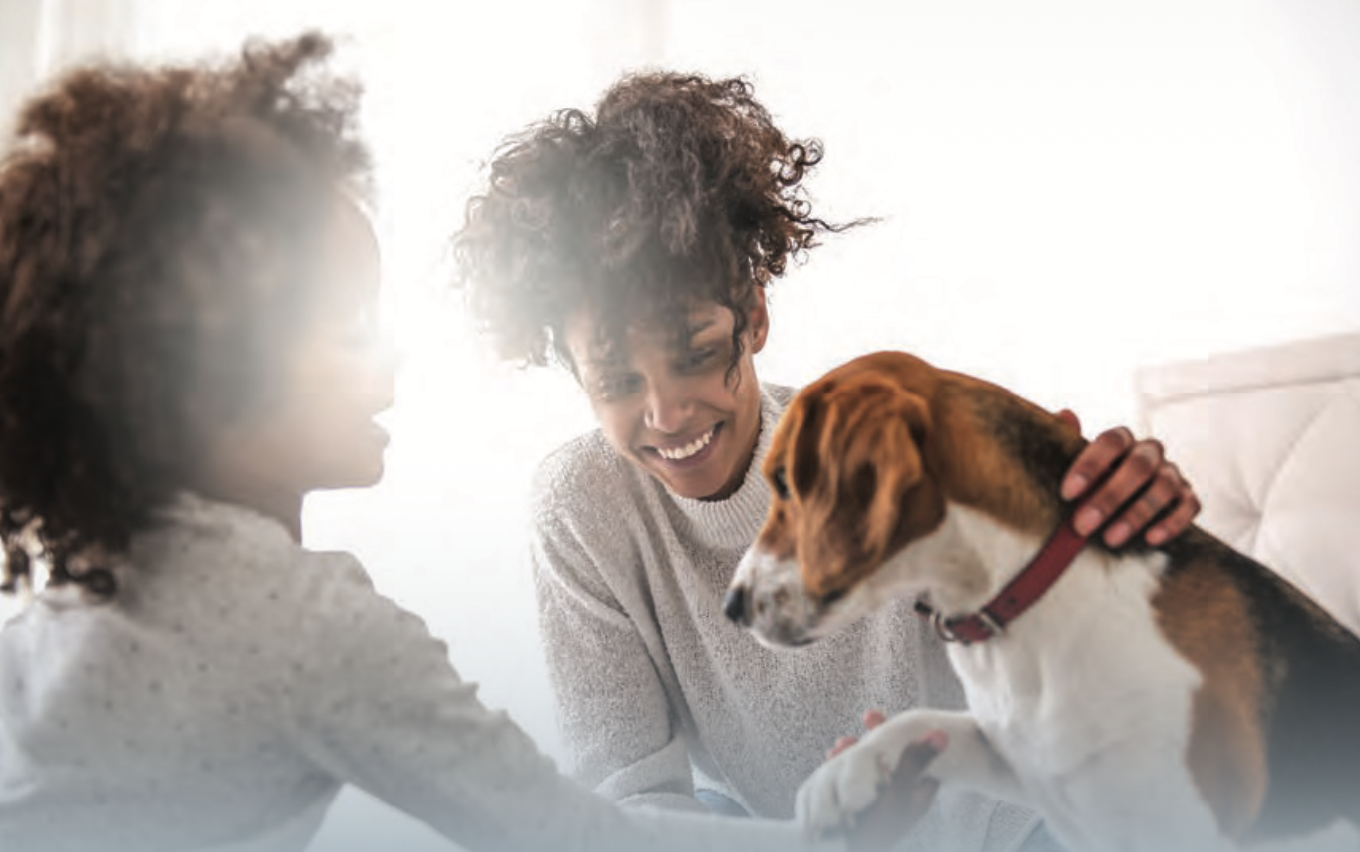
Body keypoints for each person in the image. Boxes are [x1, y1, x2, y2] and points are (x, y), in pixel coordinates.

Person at [0, 37, 925, 852]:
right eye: (344, 325)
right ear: (213, 375)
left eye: (693, 353)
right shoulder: (304, 625)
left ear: (752, 319)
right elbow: (566, 834)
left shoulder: (79, 579)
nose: (388, 351)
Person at [452, 70, 1201, 852]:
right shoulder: (581, 510)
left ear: (755, 316)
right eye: (615, 381)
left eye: (699, 352)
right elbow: (626, 808)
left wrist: (1128, 520)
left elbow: (1101, 607)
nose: (668, 413)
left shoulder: (889, 442)